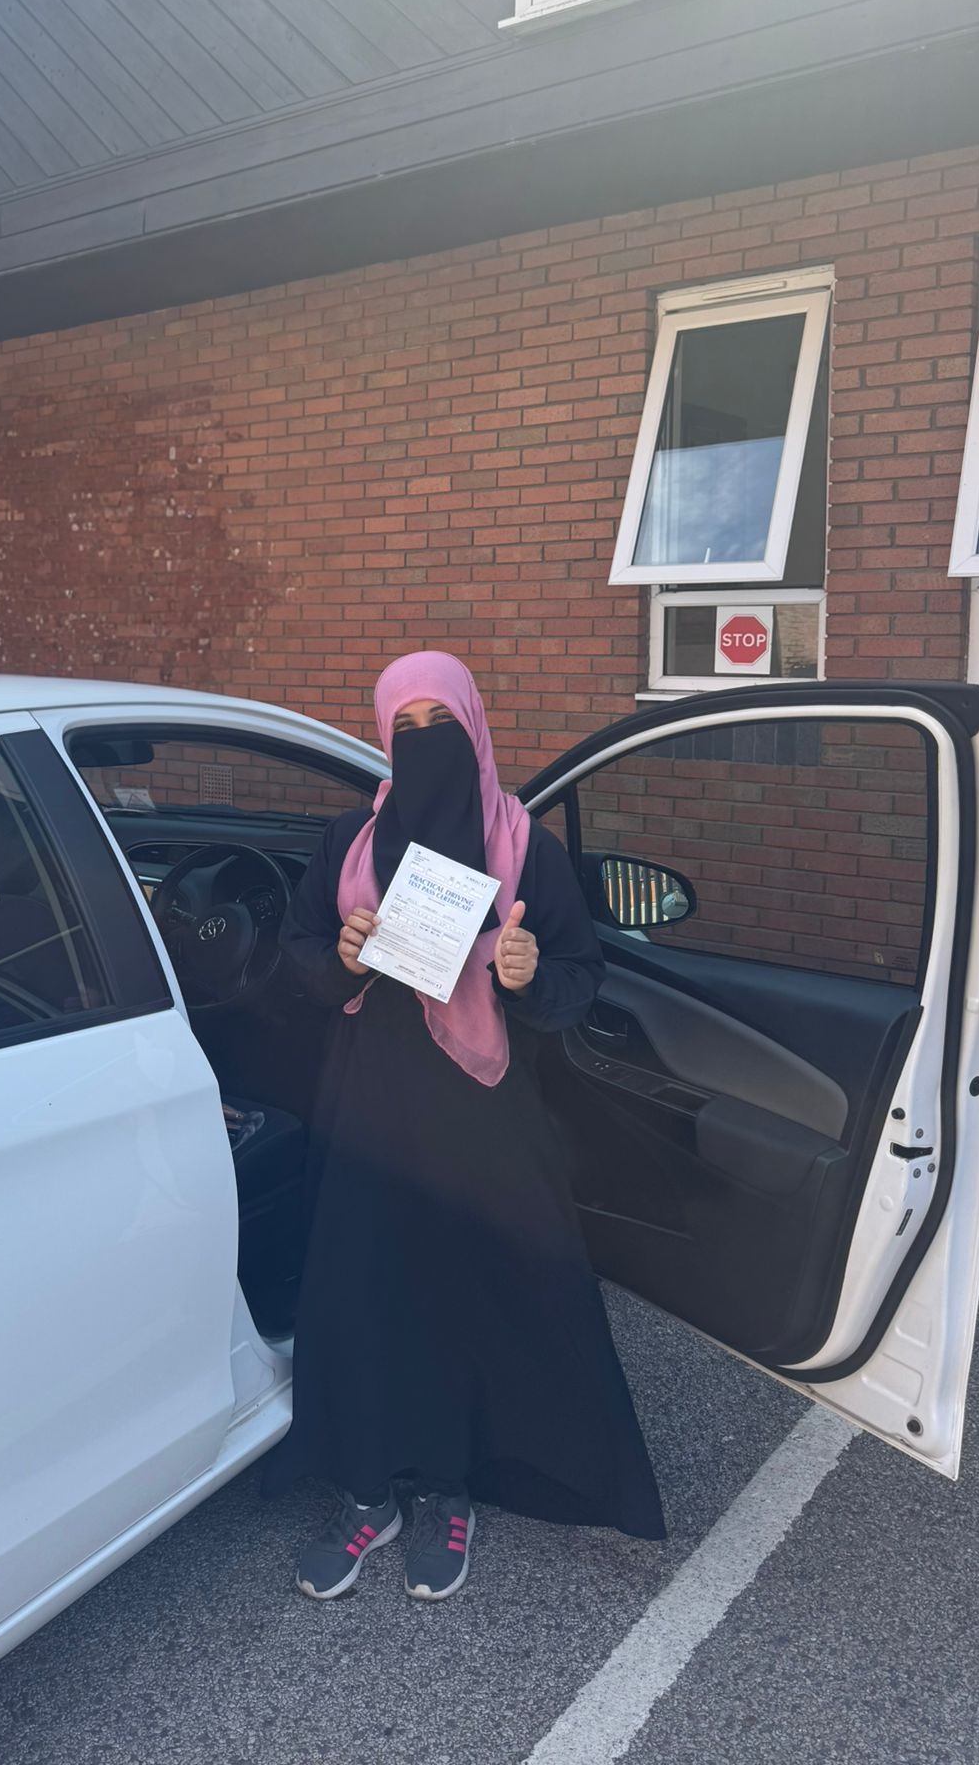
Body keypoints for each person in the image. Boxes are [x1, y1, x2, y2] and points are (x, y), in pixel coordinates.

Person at [264, 650, 665, 1601]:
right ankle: (368, 1491)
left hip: (481, 1116)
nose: (424, 744)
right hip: (367, 1105)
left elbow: (579, 976)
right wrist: (343, 958)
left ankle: (448, 1489)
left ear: (474, 727)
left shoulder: (526, 848)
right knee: (360, 1292)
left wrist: (527, 975)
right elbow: (299, 954)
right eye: (404, 729)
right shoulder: (349, 843)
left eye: (440, 724)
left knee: (458, 1296)